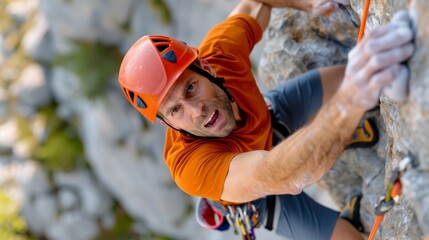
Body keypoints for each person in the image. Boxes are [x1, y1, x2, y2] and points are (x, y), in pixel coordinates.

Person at [117, 0, 415, 239]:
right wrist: (350, 102)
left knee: (348, 74)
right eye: (174, 110)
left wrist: (307, 4)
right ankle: (340, 130)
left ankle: (340, 128)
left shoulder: (222, 54)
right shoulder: (190, 166)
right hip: (264, 192)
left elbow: (254, 4)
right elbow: (282, 175)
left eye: (190, 88)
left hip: (270, 118)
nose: (196, 111)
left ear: (206, 67)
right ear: (166, 124)